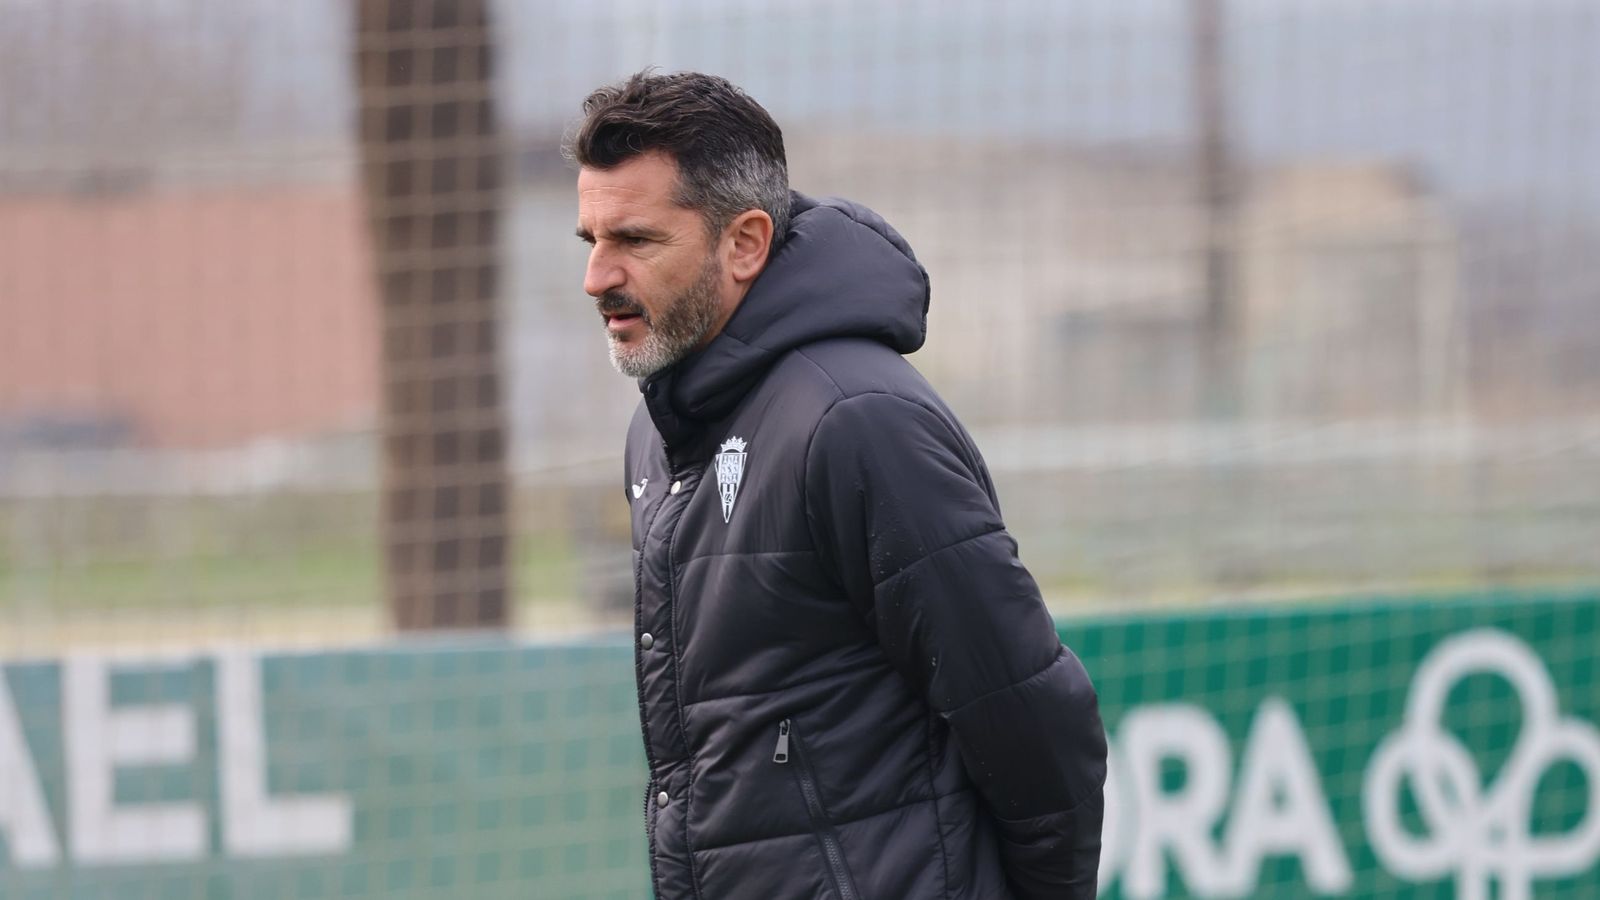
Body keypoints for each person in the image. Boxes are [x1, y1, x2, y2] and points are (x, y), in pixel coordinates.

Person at [568, 70, 1106, 900]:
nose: (597, 277)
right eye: (590, 241)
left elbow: (1030, 714)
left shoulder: (856, 419)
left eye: (634, 241)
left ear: (744, 242)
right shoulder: (659, 430)